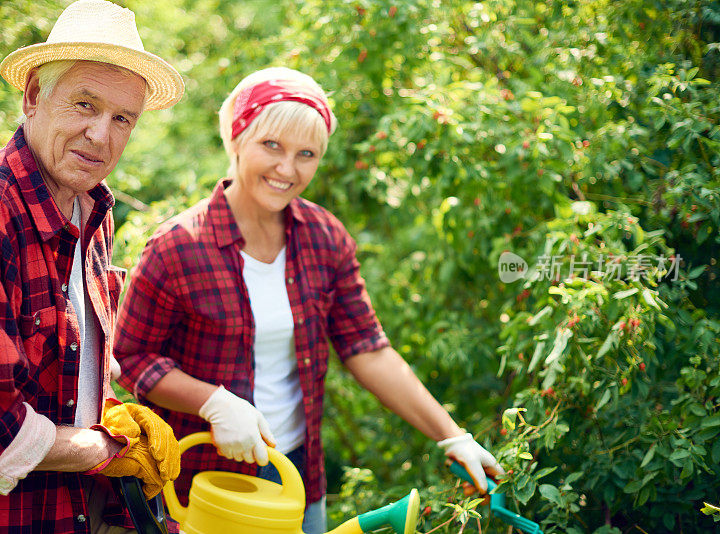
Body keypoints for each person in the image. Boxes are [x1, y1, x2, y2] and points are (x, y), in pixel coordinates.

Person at [113, 67, 503, 534]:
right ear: (237, 139)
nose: (287, 169)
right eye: (271, 145)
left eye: (306, 155)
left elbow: (368, 349)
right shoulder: (177, 246)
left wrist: (451, 435)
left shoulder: (324, 238)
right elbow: (130, 357)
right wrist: (214, 402)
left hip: (293, 475)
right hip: (201, 484)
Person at [0, 1, 185, 532]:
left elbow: (68, 367)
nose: (100, 136)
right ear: (35, 96)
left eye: (121, 119)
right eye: (85, 104)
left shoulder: (90, 210)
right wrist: (103, 449)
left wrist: (108, 413)